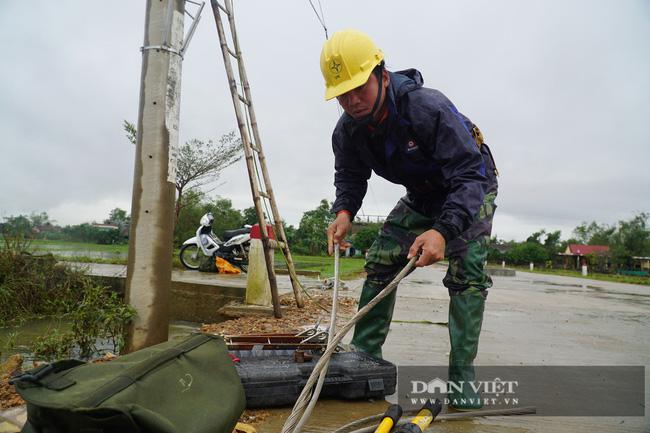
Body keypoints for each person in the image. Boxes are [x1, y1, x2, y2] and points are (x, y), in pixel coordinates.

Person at [320, 29, 499, 410]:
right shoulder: (348, 131)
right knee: (382, 257)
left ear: (381, 75)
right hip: (421, 194)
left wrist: (442, 231)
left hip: (469, 187)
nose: (351, 101)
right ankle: (364, 360)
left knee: (467, 277)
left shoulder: (427, 108)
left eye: (358, 88)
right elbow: (350, 175)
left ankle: (462, 384)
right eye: (342, 94)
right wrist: (344, 212)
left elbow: (470, 175)